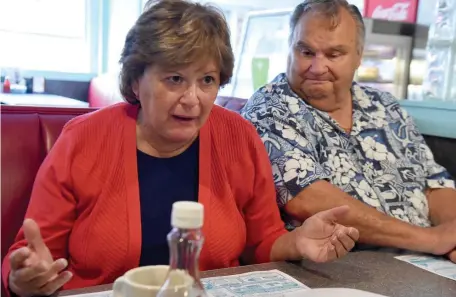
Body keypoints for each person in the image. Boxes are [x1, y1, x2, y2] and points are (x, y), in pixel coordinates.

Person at [2, 1, 360, 296]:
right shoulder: (82, 139)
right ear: (136, 80)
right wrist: (24, 277)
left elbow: (262, 240)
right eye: (174, 78)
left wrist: (297, 242)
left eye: (207, 80)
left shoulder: (239, 136)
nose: (193, 99)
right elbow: (27, 255)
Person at [242, 0, 456, 263]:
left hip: (429, 262)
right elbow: (306, 198)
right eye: (306, 52)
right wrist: (430, 240)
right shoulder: (270, 108)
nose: (318, 68)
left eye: (334, 55)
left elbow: (435, 184)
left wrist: (451, 235)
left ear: (358, 55)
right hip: (341, 270)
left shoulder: (385, 106)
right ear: (289, 50)